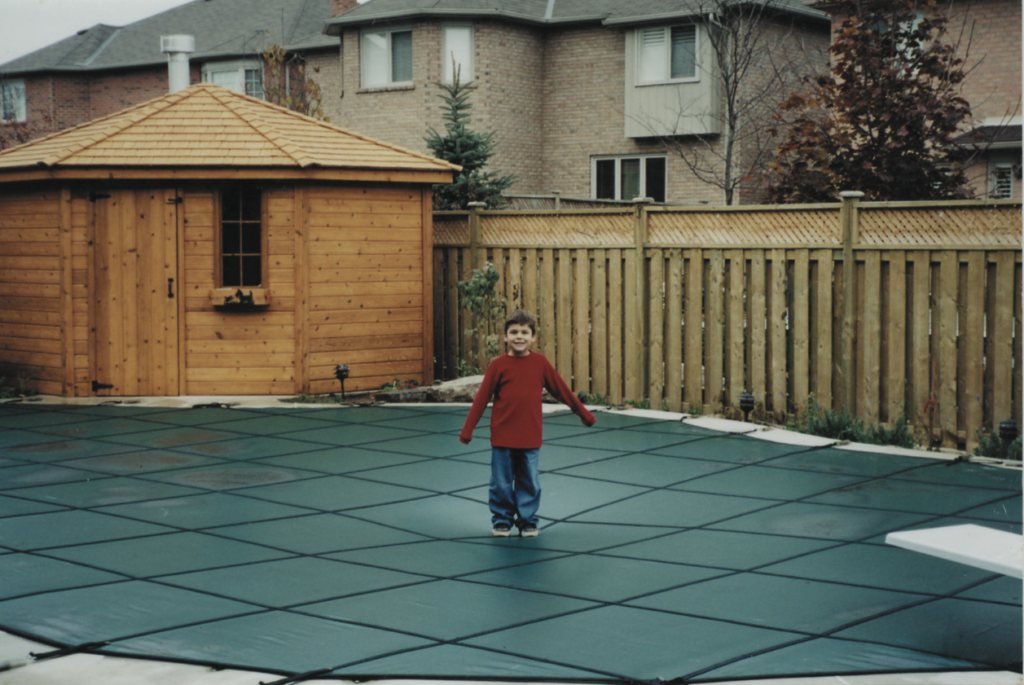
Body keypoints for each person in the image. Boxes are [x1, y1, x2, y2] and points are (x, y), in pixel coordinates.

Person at [459, 309, 596, 537]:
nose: (519, 336)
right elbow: (481, 400)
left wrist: (584, 414)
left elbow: (562, 390)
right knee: (501, 482)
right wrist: (467, 432)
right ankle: (502, 519)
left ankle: (527, 521)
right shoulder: (498, 365)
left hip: (530, 436)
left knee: (528, 481)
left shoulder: (540, 363)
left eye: (524, 332)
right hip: (502, 437)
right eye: (513, 332)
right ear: (505, 337)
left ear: (533, 337)